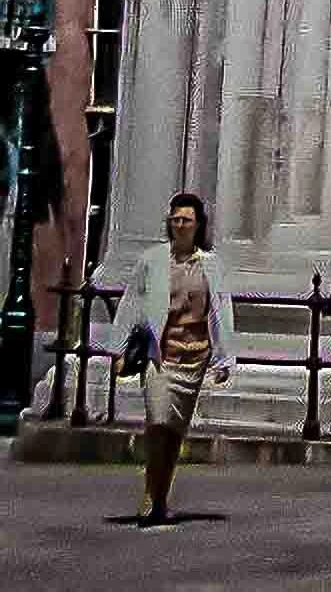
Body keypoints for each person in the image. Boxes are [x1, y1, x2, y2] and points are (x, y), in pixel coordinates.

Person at [114, 191, 237, 527]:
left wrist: (224, 359)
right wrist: (119, 351)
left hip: (193, 358)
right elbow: (131, 304)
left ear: (198, 226)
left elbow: (220, 311)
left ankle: (160, 496)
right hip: (160, 356)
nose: (180, 225)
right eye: (176, 219)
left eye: (187, 220)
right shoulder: (152, 260)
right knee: (156, 424)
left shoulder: (210, 264)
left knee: (173, 433)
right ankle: (150, 495)